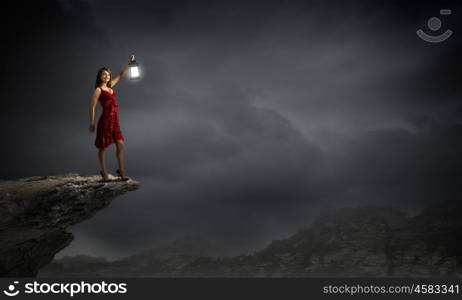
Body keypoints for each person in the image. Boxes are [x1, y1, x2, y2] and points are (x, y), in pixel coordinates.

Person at [89, 55, 135, 181]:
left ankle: (121, 171)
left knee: (120, 144)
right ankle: (104, 172)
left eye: (108, 74)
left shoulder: (110, 87)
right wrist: (92, 122)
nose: (107, 76)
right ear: (100, 76)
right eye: (104, 74)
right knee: (102, 147)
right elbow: (92, 106)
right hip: (105, 121)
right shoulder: (98, 90)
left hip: (115, 121)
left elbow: (120, 75)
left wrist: (130, 63)